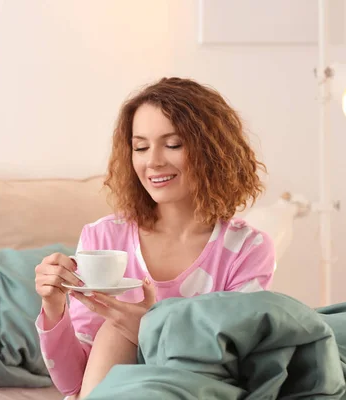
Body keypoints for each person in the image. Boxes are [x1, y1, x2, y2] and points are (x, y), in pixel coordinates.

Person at [33, 77, 276, 399]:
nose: (153, 161)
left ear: (213, 150)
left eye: (173, 144)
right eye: (141, 147)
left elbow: (238, 365)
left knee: (126, 325)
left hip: (194, 386)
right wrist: (53, 306)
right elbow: (73, 384)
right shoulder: (104, 237)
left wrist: (154, 330)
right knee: (114, 329)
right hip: (106, 389)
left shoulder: (247, 249)